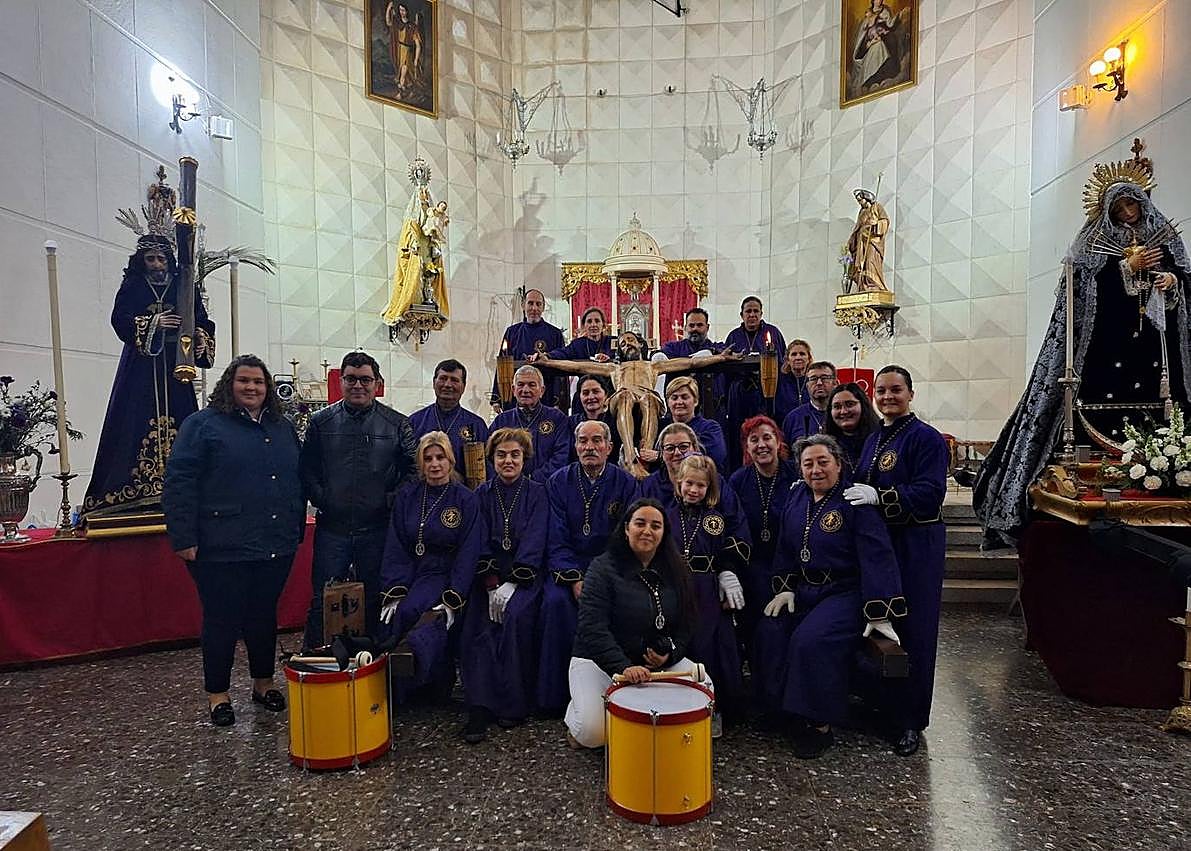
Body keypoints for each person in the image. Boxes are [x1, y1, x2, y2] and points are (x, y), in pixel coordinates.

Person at [975, 159, 1191, 546]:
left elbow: (1185, 279)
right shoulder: (1092, 242)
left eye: (1133, 205)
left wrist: (1172, 279)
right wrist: (1124, 267)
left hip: (1154, 348)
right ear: (1107, 210)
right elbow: (1077, 290)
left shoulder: (1165, 236)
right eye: (1120, 208)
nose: (1128, 213)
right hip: (1106, 349)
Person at [163, 355, 304, 727]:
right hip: (220, 545)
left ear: (268, 388)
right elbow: (180, 482)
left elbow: (294, 478)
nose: (252, 388)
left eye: (259, 382)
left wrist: (295, 527)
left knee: (262, 617)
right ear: (229, 383)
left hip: (275, 542)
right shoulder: (203, 425)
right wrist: (183, 536)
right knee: (222, 620)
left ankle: (262, 683)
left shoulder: (281, 427)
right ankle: (218, 694)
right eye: (244, 381)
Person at [753, 435, 905, 758]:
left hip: (844, 592)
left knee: (811, 640)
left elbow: (877, 556)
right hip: (804, 589)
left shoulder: (853, 502)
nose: (815, 470)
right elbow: (785, 549)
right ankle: (781, 710)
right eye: (808, 464)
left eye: (823, 462)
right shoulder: (797, 499)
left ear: (838, 463)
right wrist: (784, 587)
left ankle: (819, 724)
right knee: (771, 629)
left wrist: (879, 611)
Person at [84, 200, 216, 518]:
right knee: (130, 423)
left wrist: (200, 336)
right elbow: (120, 320)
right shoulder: (132, 285)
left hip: (175, 367)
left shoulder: (184, 285)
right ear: (141, 261)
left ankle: (185, 489)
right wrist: (154, 323)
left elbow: (203, 320)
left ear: (169, 259)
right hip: (140, 369)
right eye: (150, 258)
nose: (157, 264)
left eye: (161, 258)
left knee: (184, 422)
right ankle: (133, 492)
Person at [848, 366, 948, 756]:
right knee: (882, 632)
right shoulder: (876, 438)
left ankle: (910, 720)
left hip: (915, 546)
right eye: (882, 390)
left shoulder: (926, 439)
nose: (888, 397)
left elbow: (929, 493)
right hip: (881, 549)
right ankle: (883, 707)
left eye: (895, 390)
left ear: (911, 393)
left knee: (914, 632)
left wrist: (880, 497)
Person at [565, 498, 710, 749]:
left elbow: (688, 622)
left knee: (705, 687)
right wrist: (623, 666)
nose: (647, 531)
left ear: (664, 533)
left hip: (654, 666)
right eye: (640, 523)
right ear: (626, 528)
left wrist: (671, 653)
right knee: (593, 733)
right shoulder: (601, 569)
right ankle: (580, 711)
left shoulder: (678, 569)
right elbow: (592, 627)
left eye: (656, 526)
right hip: (599, 663)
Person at [298, 351, 416, 649]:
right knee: (322, 600)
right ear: (341, 381)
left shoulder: (396, 423)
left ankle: (374, 667)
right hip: (333, 529)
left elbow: (415, 470)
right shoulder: (320, 422)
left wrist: (389, 499)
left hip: (377, 530)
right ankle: (317, 666)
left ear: (377, 383)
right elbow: (306, 469)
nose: (358, 385)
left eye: (365, 379)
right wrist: (324, 498)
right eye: (351, 378)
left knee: (377, 598)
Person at [539, 420, 639, 714]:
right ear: (575, 446)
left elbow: (627, 538)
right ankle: (558, 697)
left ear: (610, 447)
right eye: (583, 441)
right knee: (555, 605)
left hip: (609, 570)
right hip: (567, 569)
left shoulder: (626, 483)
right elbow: (555, 536)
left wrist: (596, 580)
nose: (589, 447)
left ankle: (612, 694)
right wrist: (574, 578)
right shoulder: (558, 481)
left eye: (597, 441)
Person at [378, 432, 484, 702]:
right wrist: (395, 587)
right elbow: (396, 543)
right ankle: (404, 688)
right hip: (413, 567)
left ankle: (429, 682)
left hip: (445, 571)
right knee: (395, 611)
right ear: (421, 463)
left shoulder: (465, 499)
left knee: (416, 610)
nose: (435, 464)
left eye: (440, 458)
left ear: (451, 460)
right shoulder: (408, 495)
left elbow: (469, 551)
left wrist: (454, 595)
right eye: (428, 459)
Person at [540, 334, 738, 475]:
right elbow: (578, 366)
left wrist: (720, 357)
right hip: (621, 400)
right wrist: (548, 363)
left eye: (631, 340)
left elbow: (690, 363)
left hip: (646, 398)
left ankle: (645, 455)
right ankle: (629, 456)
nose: (628, 344)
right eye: (624, 343)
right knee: (625, 395)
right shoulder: (614, 368)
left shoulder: (653, 366)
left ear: (640, 344)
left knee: (649, 399)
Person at [459, 428, 548, 743]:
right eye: (501, 454)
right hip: (488, 577)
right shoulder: (481, 494)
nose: (508, 460)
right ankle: (480, 706)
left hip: (525, 578)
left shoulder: (538, 492)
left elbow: (537, 539)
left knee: (515, 618)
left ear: (525, 458)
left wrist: (512, 583)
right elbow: (477, 540)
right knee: (478, 624)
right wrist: (492, 583)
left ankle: (513, 703)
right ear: (491, 458)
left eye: (515, 454)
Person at [664, 455, 751, 723]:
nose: (694, 490)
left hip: (707, 590)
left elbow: (727, 549)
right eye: (689, 483)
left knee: (712, 648)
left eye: (701, 486)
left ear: (709, 488)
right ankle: (677, 706)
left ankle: (714, 709)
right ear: (679, 483)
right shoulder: (666, 515)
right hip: (675, 588)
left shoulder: (716, 520)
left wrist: (727, 572)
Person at [728, 415, 799, 647]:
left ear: (778, 442)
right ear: (747, 447)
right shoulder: (738, 480)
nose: (761, 445)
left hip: (791, 565)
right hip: (752, 566)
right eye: (753, 440)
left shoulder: (796, 475)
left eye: (767, 438)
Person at [724, 296, 787, 468]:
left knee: (765, 429)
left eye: (755, 311)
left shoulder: (773, 333)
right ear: (741, 315)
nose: (752, 315)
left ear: (761, 313)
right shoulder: (734, 336)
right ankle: (741, 468)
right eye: (748, 311)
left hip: (765, 391)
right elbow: (726, 369)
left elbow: (782, 364)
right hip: (740, 392)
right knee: (740, 433)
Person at [410, 359, 489, 483]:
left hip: (465, 497)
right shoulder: (415, 422)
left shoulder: (476, 425)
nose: (447, 384)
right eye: (443, 378)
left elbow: (487, 469)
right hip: (424, 495)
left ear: (463, 387)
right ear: (434, 382)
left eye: (454, 380)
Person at [490, 288, 566, 413]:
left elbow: (561, 369)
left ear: (543, 307)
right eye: (530, 303)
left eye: (538, 304)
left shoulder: (555, 334)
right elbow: (502, 365)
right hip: (517, 396)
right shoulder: (512, 332)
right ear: (523, 306)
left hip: (547, 395)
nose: (534, 308)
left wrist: (558, 399)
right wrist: (497, 397)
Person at [490, 365, 570, 482]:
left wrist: (533, 479)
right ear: (513, 390)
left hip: (547, 487)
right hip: (509, 486)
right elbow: (490, 456)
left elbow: (562, 456)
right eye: (520, 385)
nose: (525, 390)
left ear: (542, 391)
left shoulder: (557, 418)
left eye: (532, 385)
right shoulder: (501, 421)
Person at [641, 376, 729, 473]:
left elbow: (713, 456)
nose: (679, 402)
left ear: (695, 401)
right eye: (674, 398)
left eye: (684, 397)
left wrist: (660, 456)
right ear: (668, 402)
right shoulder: (658, 427)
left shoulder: (710, 428)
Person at [640, 422, 703, 504]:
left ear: (695, 448)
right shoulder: (649, 485)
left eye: (683, 447)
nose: (677, 453)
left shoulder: (713, 480)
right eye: (670, 448)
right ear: (662, 453)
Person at [822, 383, 880, 471]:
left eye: (850, 404)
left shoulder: (880, 440)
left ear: (863, 405)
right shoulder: (825, 447)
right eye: (837, 407)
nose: (843, 411)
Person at [566, 374, 620, 464]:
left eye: (596, 391)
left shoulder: (617, 422)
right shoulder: (570, 423)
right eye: (585, 393)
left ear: (606, 395)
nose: (591, 397)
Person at [844, 189, 891, 293]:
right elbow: (857, 228)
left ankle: (874, 285)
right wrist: (851, 241)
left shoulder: (877, 207)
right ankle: (864, 287)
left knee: (870, 262)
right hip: (861, 243)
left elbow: (885, 221)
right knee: (861, 265)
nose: (860, 203)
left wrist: (876, 225)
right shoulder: (862, 212)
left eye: (861, 200)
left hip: (872, 242)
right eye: (858, 201)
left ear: (866, 198)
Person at [781, 361, 838, 446]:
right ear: (807, 386)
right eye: (813, 379)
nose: (819, 383)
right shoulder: (792, 418)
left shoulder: (843, 415)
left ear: (835, 384)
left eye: (825, 378)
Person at [533, 306, 613, 363]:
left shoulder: (613, 341)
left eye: (597, 321)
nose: (593, 325)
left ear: (603, 324)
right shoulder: (578, 344)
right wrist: (547, 355)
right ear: (584, 325)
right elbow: (563, 353)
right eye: (589, 321)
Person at [775, 339, 813, 425]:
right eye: (794, 354)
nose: (798, 357)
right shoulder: (778, 381)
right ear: (788, 359)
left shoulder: (814, 381)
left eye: (802, 354)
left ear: (809, 359)